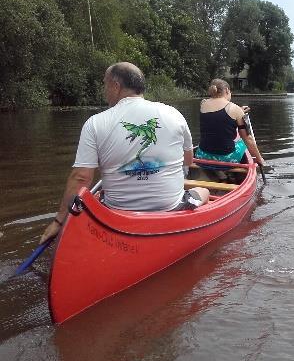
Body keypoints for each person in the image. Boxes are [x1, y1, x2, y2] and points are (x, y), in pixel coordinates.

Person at [40, 62, 209, 244]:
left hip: (115, 217)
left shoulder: (95, 123)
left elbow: (81, 178)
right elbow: (188, 160)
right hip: (171, 209)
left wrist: (59, 221)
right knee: (204, 190)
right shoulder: (173, 114)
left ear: (116, 86)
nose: (104, 91)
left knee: (99, 200)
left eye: (105, 84)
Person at [195, 78, 265, 166]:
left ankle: (218, 173)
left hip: (202, 156)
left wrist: (239, 110)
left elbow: (217, 115)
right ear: (227, 90)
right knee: (243, 143)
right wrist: (260, 159)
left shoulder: (203, 104)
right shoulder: (234, 108)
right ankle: (231, 171)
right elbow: (248, 139)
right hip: (226, 159)